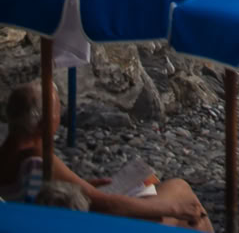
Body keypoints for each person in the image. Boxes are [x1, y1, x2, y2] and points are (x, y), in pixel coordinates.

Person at [0, 82, 212, 227]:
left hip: (42, 221)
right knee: (181, 193)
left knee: (185, 210)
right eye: (58, 111)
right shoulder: (37, 158)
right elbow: (108, 205)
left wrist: (83, 186)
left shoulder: (7, 154)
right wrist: (175, 208)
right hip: (92, 224)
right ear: (45, 121)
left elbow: (45, 193)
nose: (60, 116)